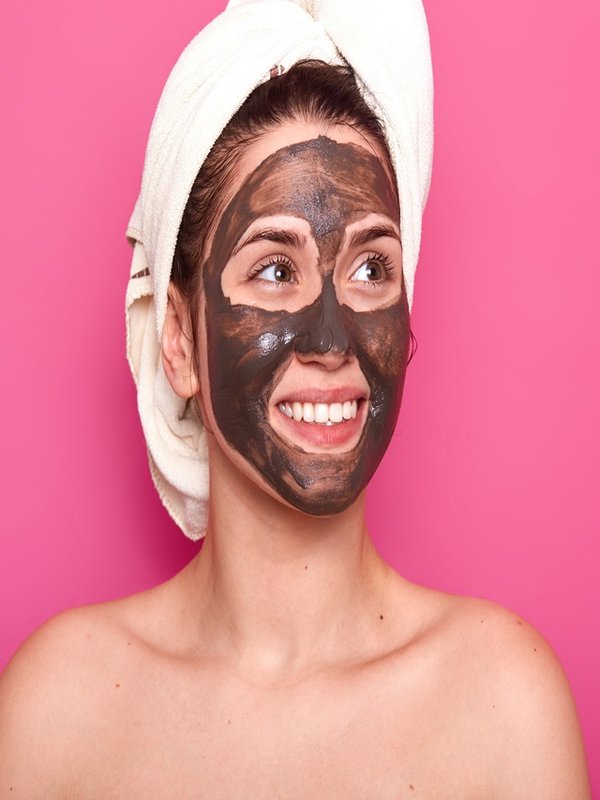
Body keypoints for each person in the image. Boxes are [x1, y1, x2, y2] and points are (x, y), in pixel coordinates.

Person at [0, 1, 591, 796]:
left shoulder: (502, 705)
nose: (332, 337)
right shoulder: (55, 710)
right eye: (275, 270)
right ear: (177, 339)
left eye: (372, 269)